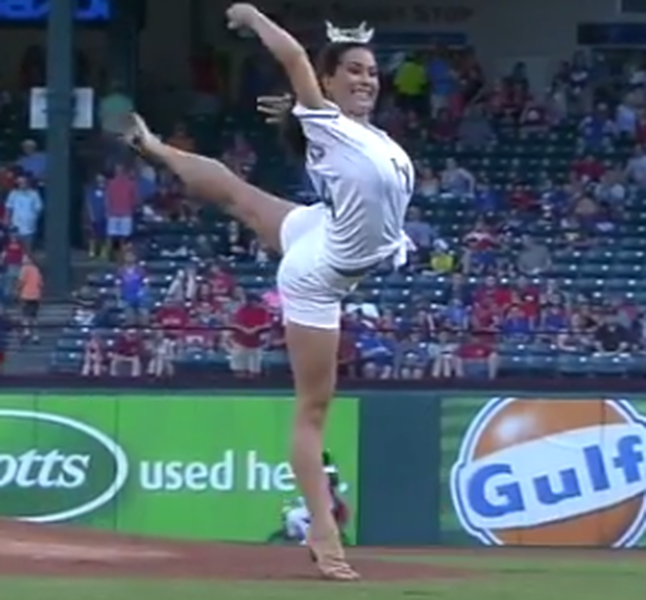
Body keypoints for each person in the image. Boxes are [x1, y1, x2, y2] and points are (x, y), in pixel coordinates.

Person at [118, 4, 414, 581]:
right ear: (327, 81)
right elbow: (294, 56)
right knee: (313, 410)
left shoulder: (356, 131)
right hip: (318, 271)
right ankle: (323, 533)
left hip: (324, 228)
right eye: (352, 70)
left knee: (238, 196)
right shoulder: (328, 120)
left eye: (372, 72)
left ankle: (153, 147)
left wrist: (303, 115)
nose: (366, 79)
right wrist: (253, 16)